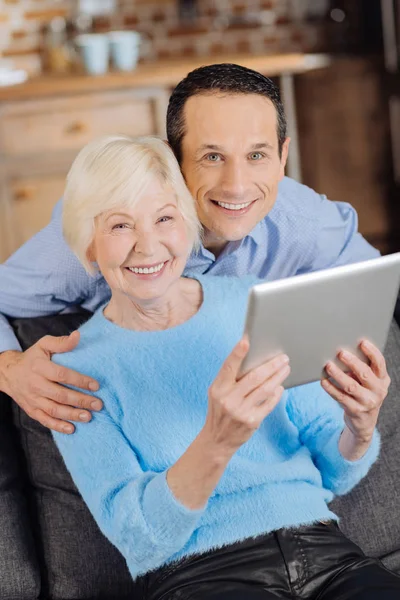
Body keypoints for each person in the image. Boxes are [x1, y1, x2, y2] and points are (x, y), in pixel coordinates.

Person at [49, 134, 398, 600]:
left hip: (327, 555)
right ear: (89, 244)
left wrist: (359, 426)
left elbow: (337, 474)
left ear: (188, 224)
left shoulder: (254, 302)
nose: (148, 245)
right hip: (202, 577)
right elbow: (136, 536)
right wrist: (216, 441)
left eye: (165, 218)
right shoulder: (74, 369)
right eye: (119, 226)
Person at [0, 64, 388, 435]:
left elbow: (371, 286)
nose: (236, 186)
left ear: (282, 157)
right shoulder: (102, 228)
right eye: (212, 157)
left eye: (256, 156)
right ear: (174, 158)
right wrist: (10, 367)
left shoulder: (301, 220)